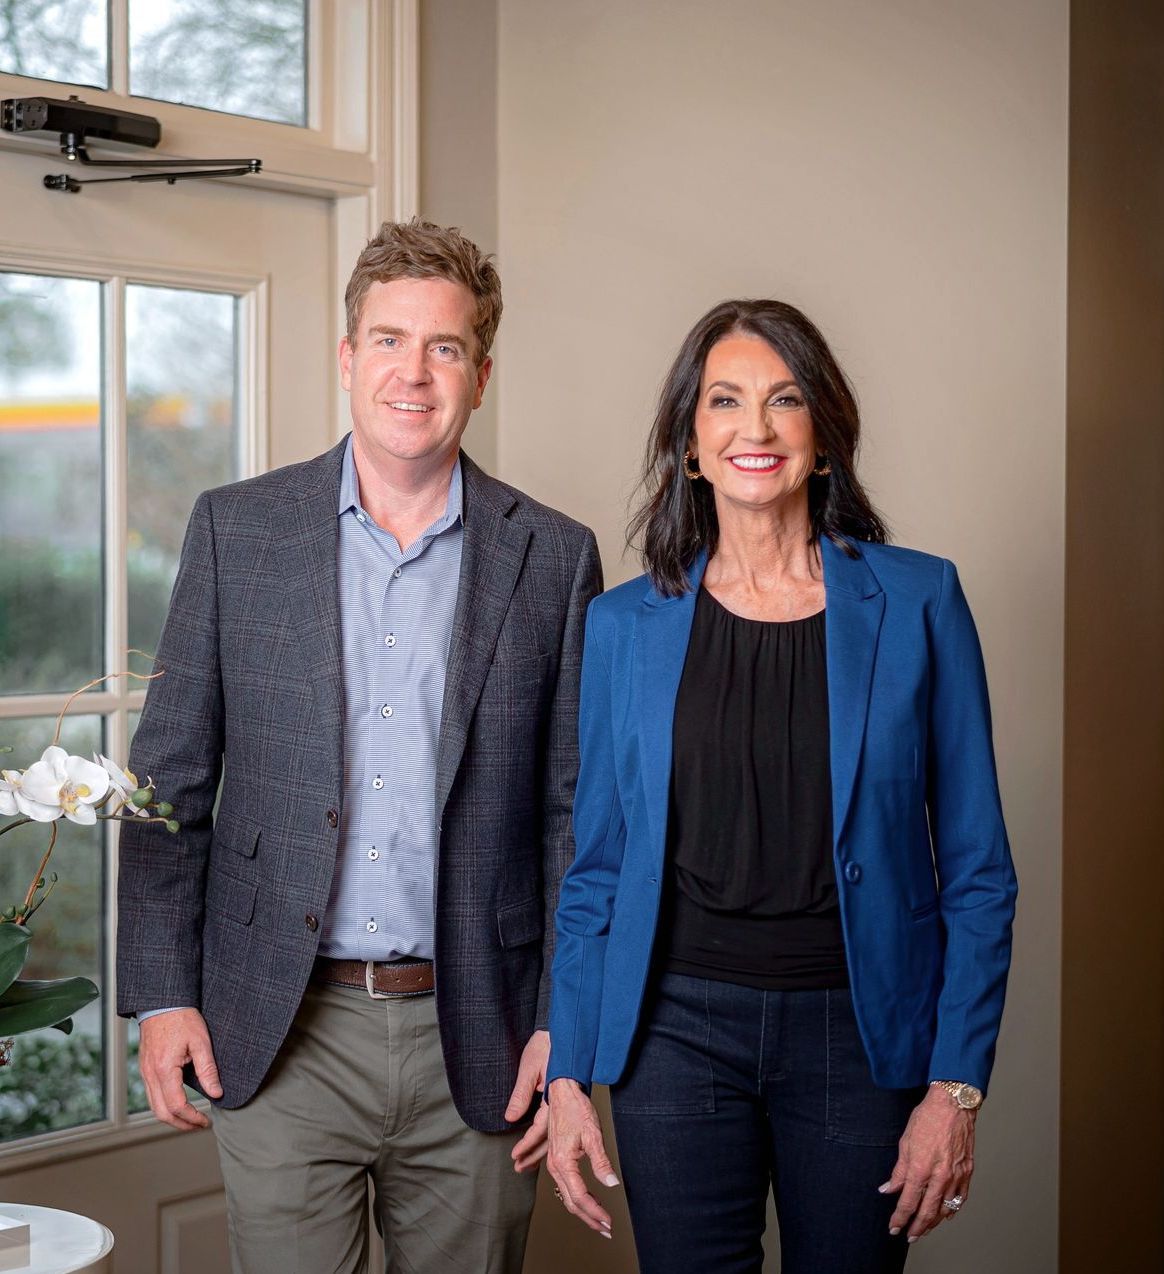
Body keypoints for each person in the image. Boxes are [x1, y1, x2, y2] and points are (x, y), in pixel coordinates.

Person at [117, 217, 602, 1274]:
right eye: (388, 340)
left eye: (444, 347)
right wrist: (162, 992)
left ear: (482, 372)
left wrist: (571, 1027)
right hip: (282, 1025)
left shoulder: (556, 558)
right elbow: (168, 785)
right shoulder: (236, 531)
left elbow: (575, 819)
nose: (413, 373)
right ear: (347, 359)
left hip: (478, 1032)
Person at [544, 299, 1017, 1273]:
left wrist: (955, 1084)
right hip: (673, 1034)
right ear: (690, 443)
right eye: (724, 401)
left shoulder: (922, 602)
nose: (753, 429)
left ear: (823, 437)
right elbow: (597, 868)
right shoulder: (623, 625)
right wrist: (565, 1076)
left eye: (784, 400)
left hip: (860, 1033)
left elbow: (977, 869)